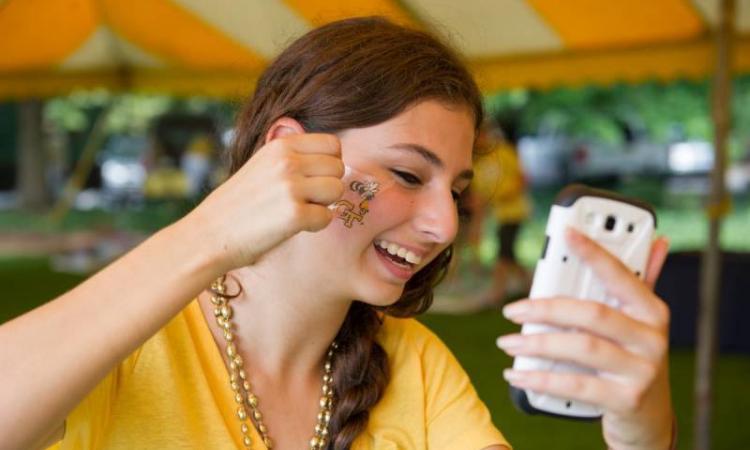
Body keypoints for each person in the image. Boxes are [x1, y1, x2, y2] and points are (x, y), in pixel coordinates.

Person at [0, 17, 675, 450]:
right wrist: (208, 234)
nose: (445, 224)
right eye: (409, 175)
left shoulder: (415, 366)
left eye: (459, 190)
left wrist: (643, 431)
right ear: (288, 154)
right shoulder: (129, 341)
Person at [469, 116, 532, 307]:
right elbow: (479, 195)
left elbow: (522, 179)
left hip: (514, 212)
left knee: (503, 254)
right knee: (509, 255)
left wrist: (503, 195)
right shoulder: (477, 164)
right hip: (499, 214)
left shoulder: (503, 152)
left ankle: (496, 293)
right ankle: (531, 286)